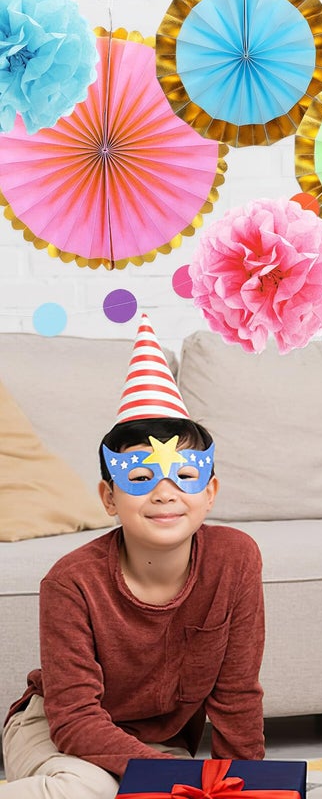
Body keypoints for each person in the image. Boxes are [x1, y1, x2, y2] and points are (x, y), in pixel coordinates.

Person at [1, 315, 265, 799]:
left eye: (184, 478)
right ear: (108, 498)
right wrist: (165, 774)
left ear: (210, 492)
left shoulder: (235, 559)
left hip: (155, 741)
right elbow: (76, 718)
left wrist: (247, 787)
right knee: (90, 789)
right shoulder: (70, 581)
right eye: (140, 479)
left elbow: (236, 695)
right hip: (57, 729)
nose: (164, 494)